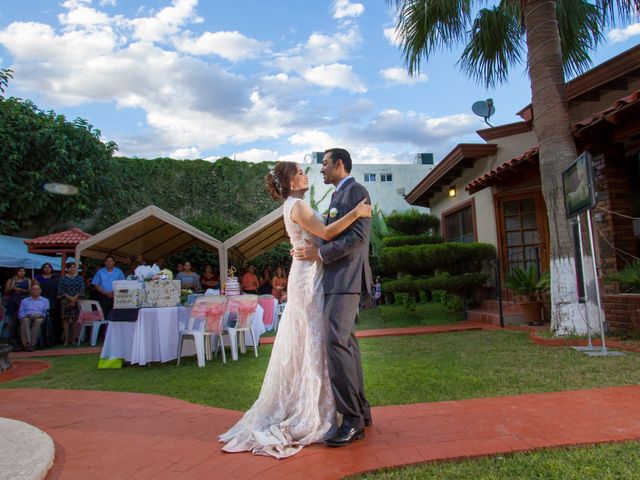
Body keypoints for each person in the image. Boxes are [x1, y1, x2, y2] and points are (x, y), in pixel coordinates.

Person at [219, 159, 371, 458]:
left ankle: (329, 406)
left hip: (311, 272)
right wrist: (356, 212)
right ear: (289, 182)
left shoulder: (297, 205)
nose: (307, 175)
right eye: (300, 173)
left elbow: (323, 235)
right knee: (314, 338)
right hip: (308, 277)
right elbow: (327, 234)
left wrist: (318, 251)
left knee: (314, 339)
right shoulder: (297, 206)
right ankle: (311, 408)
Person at [293, 147, 373, 446]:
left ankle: (351, 421)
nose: (322, 169)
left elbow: (358, 237)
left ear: (340, 164)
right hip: (335, 280)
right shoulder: (337, 195)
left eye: (325, 164)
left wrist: (320, 252)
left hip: (345, 280)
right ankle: (361, 413)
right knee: (346, 345)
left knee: (336, 344)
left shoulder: (356, 191)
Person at [57, 262, 85, 345]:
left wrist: (75, 298)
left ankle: (74, 339)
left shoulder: (79, 278)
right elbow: (61, 290)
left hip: (76, 300)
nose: (73, 269)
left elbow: (82, 289)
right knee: (65, 320)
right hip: (65, 300)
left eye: (74, 267)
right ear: (67, 268)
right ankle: (66, 339)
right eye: (71, 267)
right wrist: (69, 297)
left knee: (75, 320)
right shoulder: (62, 279)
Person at [17, 283, 49, 351]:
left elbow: (46, 312)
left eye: (37, 289)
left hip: (39, 316)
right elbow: (20, 312)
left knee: (37, 321)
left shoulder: (45, 300)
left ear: (40, 290)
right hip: (27, 316)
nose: (35, 291)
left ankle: (32, 344)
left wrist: (41, 316)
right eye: (33, 289)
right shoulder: (24, 300)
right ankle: (28, 344)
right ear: (30, 291)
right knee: (25, 320)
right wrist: (24, 316)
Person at [35, 262, 60, 344]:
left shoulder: (56, 278)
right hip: (42, 298)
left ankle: (56, 338)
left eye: (49, 267)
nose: (47, 268)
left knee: (55, 320)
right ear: (42, 268)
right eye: (45, 267)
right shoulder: (37, 277)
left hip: (54, 299)